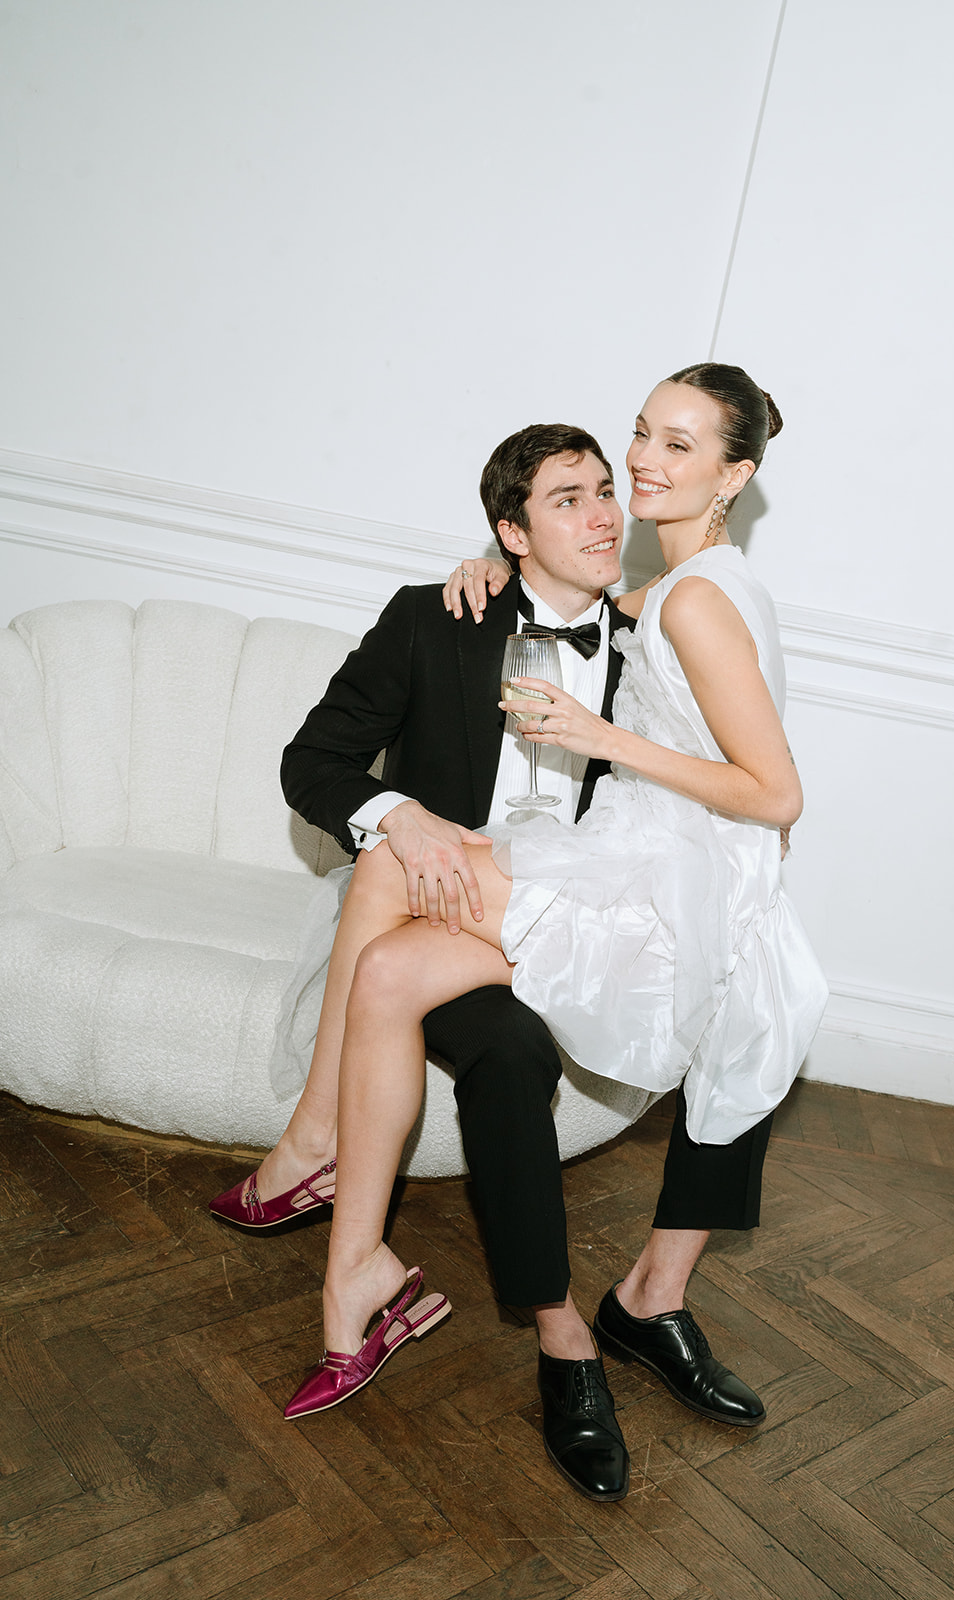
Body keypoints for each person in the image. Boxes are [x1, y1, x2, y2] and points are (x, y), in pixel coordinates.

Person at [210, 376, 820, 1502]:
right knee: (426, 960)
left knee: (722, 1014)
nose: (618, 489)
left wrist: (598, 735)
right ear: (509, 532)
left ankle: (339, 1180)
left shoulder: (656, 616)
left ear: (733, 475)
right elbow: (313, 764)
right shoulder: (448, 614)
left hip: (611, 887)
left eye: (635, 466)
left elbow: (759, 781)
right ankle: (524, 1317)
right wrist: (401, 812)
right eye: (626, 447)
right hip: (491, 893)